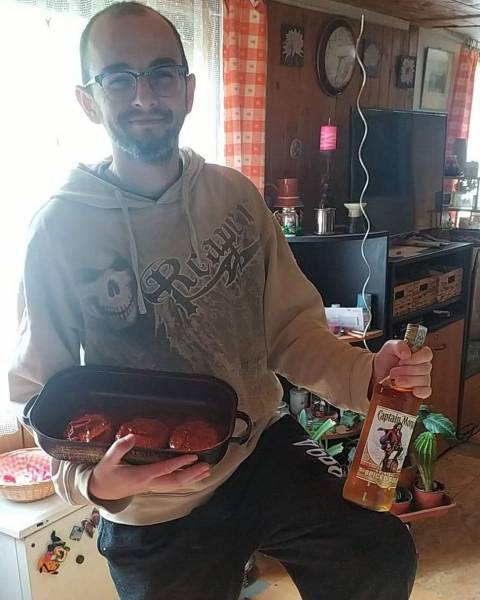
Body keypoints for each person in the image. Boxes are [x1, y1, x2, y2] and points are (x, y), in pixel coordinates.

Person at [9, 3, 433, 599]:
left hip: (259, 445)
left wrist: (368, 373)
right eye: (118, 78)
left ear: (187, 91)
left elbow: (291, 331)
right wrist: (93, 484)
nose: (144, 95)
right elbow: (40, 394)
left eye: (161, 73)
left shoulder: (234, 197)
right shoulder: (58, 230)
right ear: (88, 100)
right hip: (151, 496)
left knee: (377, 555)